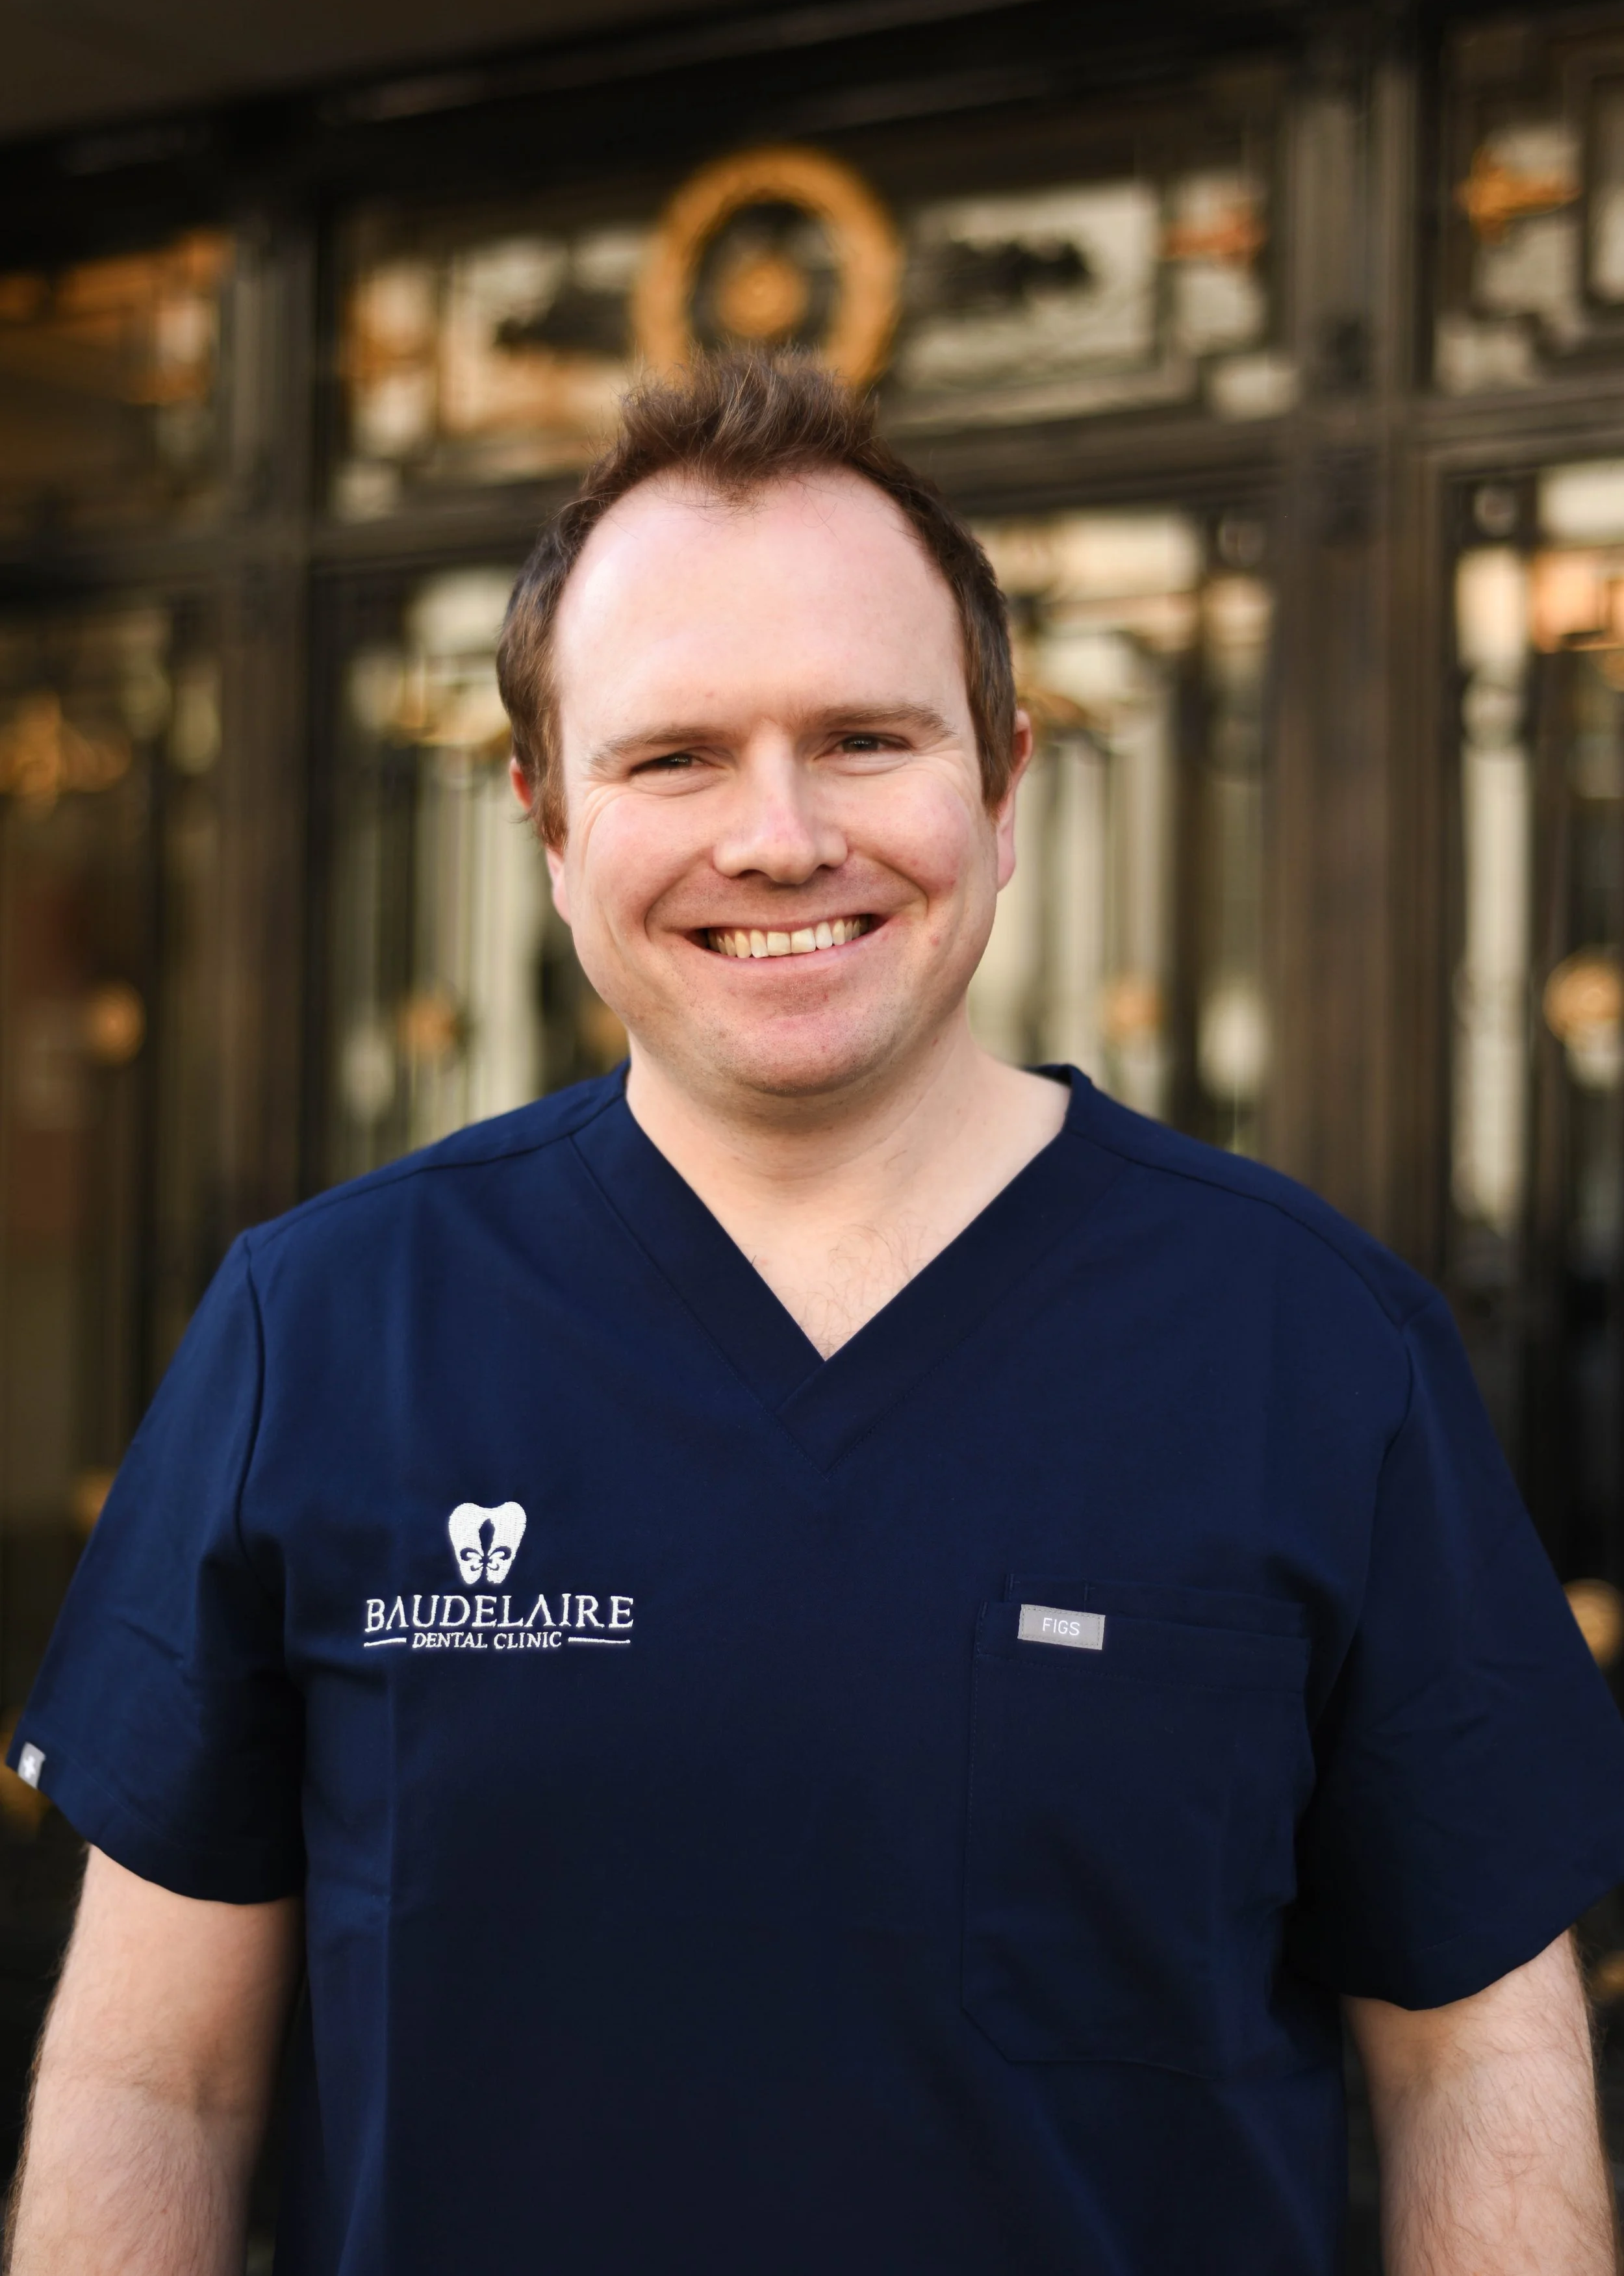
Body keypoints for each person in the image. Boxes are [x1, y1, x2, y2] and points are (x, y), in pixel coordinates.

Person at [6, 353, 1624, 2276]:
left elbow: (1471, 2072)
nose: (778, 838)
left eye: (866, 739)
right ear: (543, 817)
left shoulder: (1310, 1344)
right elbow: (152, 2091)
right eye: (671, 755)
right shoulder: (322, 1329)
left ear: (1004, 782)